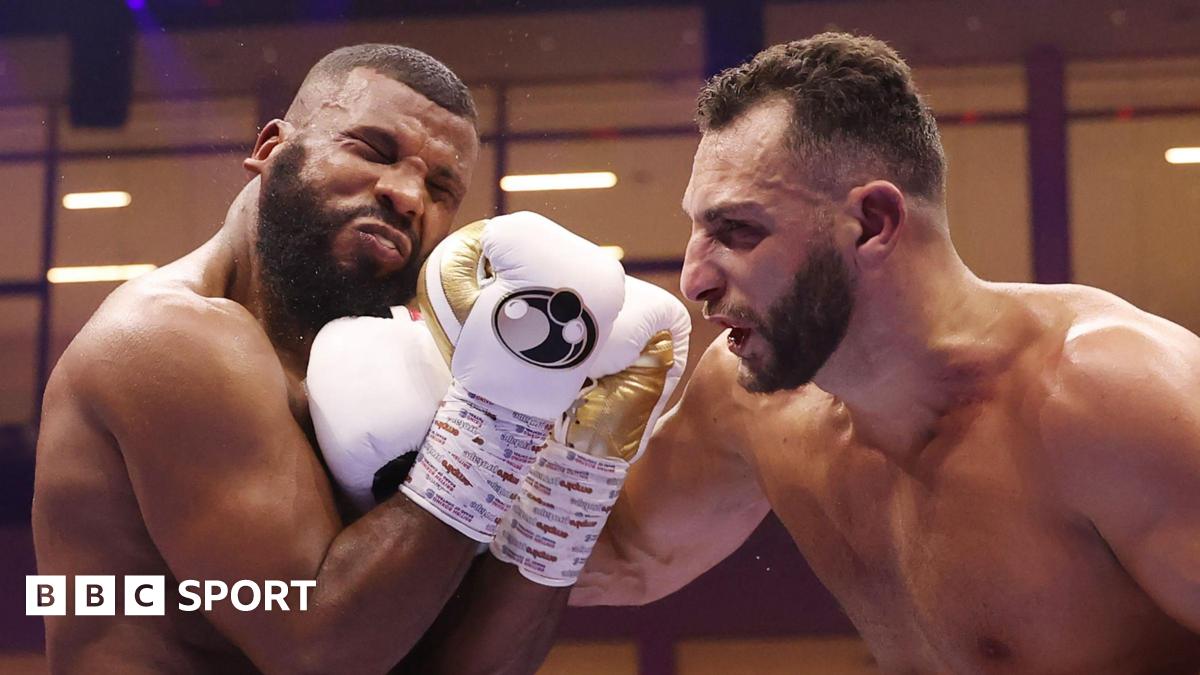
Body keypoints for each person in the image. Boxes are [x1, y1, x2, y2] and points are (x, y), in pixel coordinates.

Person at [573, 33, 1200, 673]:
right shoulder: (747, 400)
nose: (693, 278)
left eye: (737, 230)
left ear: (873, 223)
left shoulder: (1113, 397)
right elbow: (619, 555)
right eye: (698, 230)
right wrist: (488, 431)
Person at [33, 43, 650, 674]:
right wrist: (496, 423)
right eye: (373, 150)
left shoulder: (392, 375)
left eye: (441, 187)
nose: (408, 194)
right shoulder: (169, 336)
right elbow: (318, 652)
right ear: (272, 149)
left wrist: (576, 476)